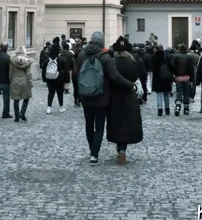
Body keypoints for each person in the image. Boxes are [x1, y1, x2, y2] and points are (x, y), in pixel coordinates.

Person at [75, 31, 136, 165]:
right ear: (101, 42)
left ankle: (92, 150)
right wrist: (130, 85)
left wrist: (78, 93)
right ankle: (94, 155)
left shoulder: (81, 56)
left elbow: (76, 75)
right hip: (101, 97)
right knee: (100, 127)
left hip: (85, 95)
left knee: (89, 124)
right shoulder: (105, 57)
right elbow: (115, 77)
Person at [107, 43, 143, 164]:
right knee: (127, 124)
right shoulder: (133, 62)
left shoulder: (112, 62)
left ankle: (120, 148)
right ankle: (123, 149)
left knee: (117, 123)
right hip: (129, 96)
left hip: (115, 96)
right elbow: (138, 75)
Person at [10, 46, 34, 122]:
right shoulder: (27, 61)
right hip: (25, 82)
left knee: (16, 99)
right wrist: (30, 83)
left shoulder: (12, 61)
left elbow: (10, 73)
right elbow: (29, 74)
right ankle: (22, 113)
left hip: (15, 81)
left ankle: (17, 117)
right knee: (26, 98)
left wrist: (10, 81)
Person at [171, 44, 195, 116]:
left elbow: (172, 66)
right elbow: (191, 68)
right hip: (187, 77)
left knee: (179, 92)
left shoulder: (175, 57)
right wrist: (192, 78)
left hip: (178, 77)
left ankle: (178, 107)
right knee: (186, 93)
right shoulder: (189, 57)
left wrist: (174, 74)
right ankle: (186, 108)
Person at [150, 44, 172, 116]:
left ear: (156, 49)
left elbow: (152, 67)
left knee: (159, 94)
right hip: (165, 77)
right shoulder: (166, 56)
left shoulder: (153, 57)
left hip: (157, 78)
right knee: (166, 94)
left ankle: (160, 110)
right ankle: (167, 109)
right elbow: (170, 67)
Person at [44, 39, 65, 114]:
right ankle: (61, 107)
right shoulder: (61, 59)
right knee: (60, 93)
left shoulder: (47, 59)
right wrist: (66, 80)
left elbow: (44, 69)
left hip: (49, 78)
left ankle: (49, 108)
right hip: (59, 78)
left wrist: (45, 78)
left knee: (50, 92)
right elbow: (65, 70)